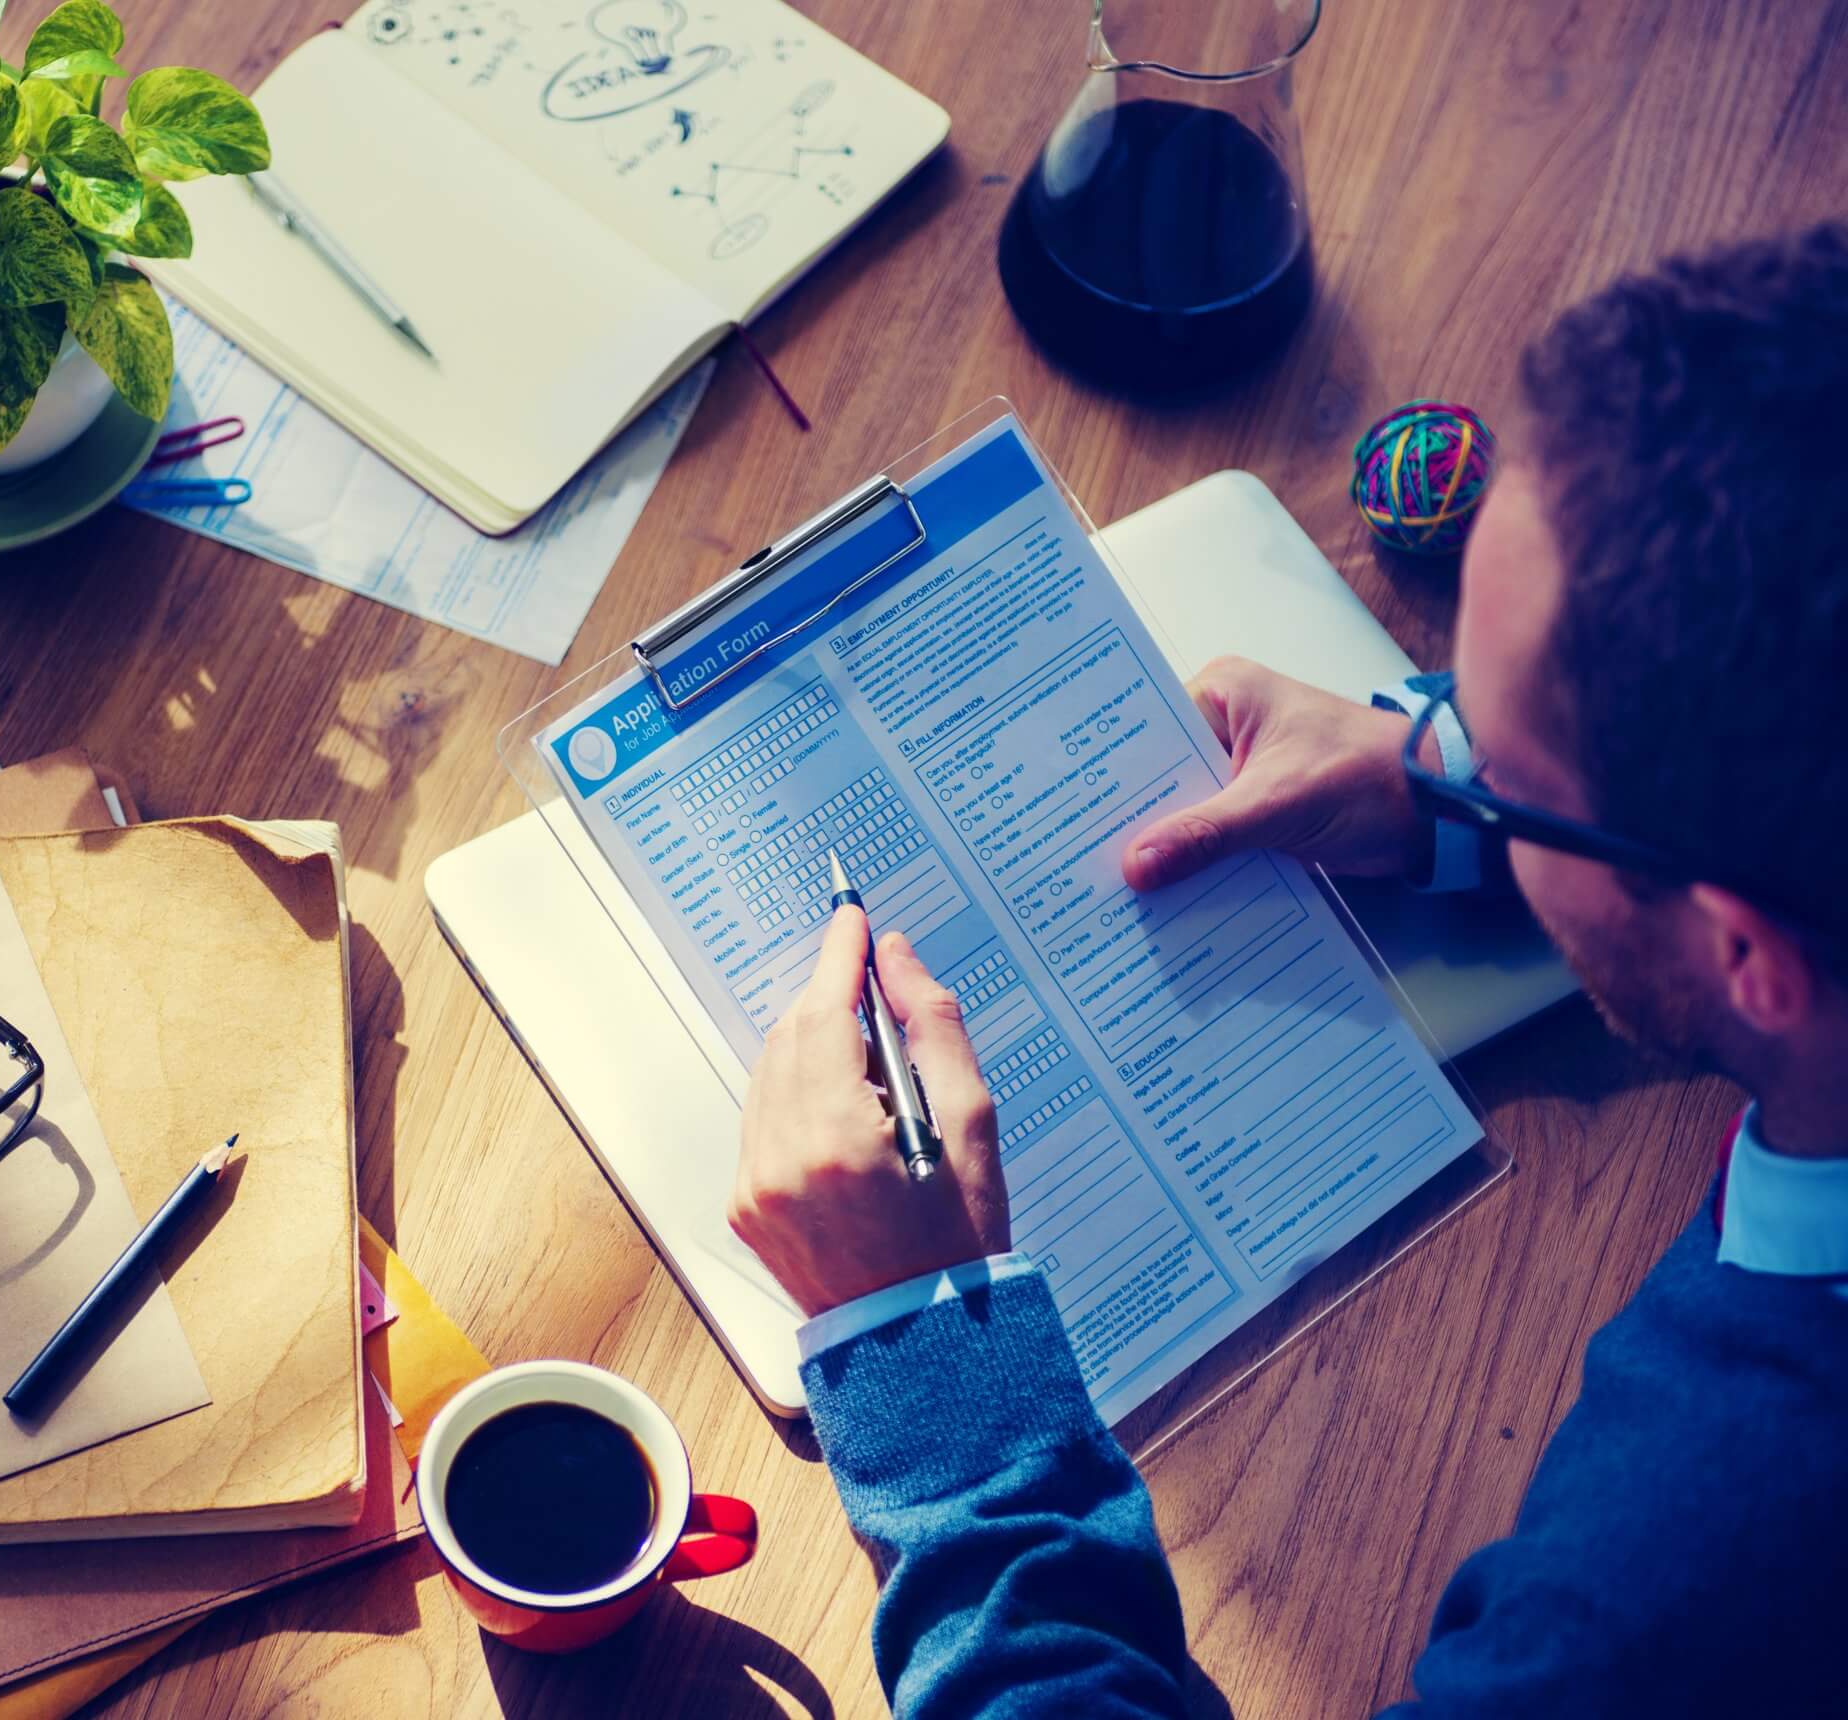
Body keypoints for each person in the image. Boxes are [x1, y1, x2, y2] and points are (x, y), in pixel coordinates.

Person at [729, 224, 1848, 1716]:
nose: (1442, 743)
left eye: (1505, 772)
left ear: (1746, 955)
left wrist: (930, 1363)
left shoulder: (1675, 1583)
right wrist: (1441, 772)